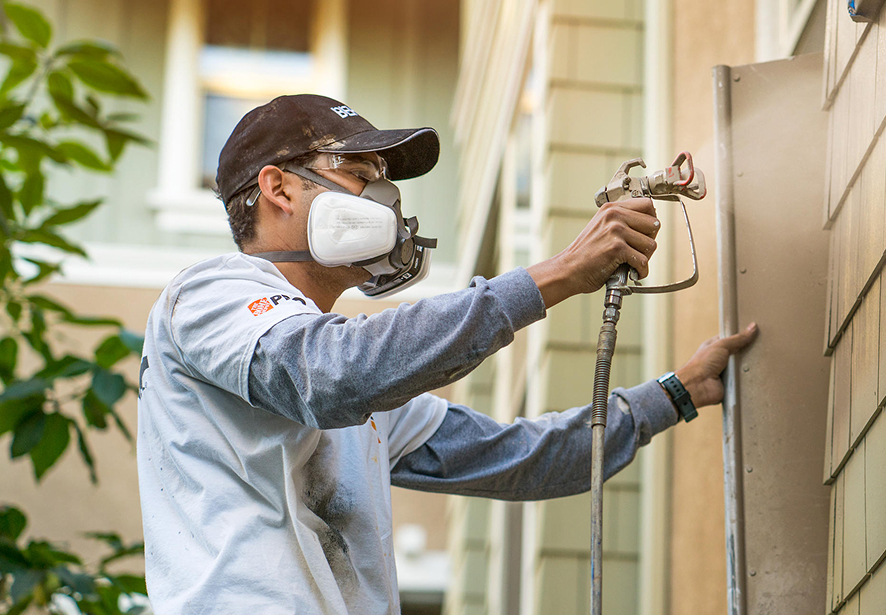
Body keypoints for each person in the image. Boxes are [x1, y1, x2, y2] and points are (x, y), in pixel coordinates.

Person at [136, 94, 757, 614]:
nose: (383, 196)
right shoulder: (209, 294)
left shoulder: (368, 390)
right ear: (278, 189)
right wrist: (560, 273)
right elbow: (327, 374)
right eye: (360, 173)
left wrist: (677, 392)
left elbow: (521, 458)